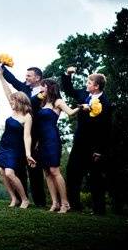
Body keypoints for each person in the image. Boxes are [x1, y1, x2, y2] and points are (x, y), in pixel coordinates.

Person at [0, 55, 46, 207]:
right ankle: (22, 198)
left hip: (34, 133)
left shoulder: (45, 91)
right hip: (14, 136)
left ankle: (40, 201)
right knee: (17, 169)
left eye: (29, 75)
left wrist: (39, 140)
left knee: (34, 170)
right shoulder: (24, 90)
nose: (26, 78)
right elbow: (11, 83)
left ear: (37, 77)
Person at [61, 67, 112, 215]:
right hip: (79, 143)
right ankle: (74, 205)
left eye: (89, 83)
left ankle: (99, 210)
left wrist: (100, 150)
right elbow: (69, 89)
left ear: (96, 86)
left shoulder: (105, 103)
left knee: (95, 178)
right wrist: (67, 74)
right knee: (72, 173)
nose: (86, 85)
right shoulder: (83, 95)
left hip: (94, 147)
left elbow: (106, 129)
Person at [35, 78, 80, 213]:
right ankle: (55, 203)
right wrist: (37, 142)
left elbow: (70, 112)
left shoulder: (58, 101)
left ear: (50, 87)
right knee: (47, 173)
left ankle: (65, 203)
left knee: (55, 171)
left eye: (43, 86)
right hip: (41, 140)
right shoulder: (42, 103)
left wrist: (81, 107)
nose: (41, 89)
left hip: (52, 139)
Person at [0, 71, 36, 209]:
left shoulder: (27, 116)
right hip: (4, 145)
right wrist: (1, 76)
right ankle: (14, 198)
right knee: (2, 171)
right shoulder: (13, 110)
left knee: (9, 173)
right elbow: (7, 91)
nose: (11, 102)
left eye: (13, 101)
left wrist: (28, 154)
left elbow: (27, 136)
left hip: (15, 148)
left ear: (20, 102)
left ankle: (25, 199)